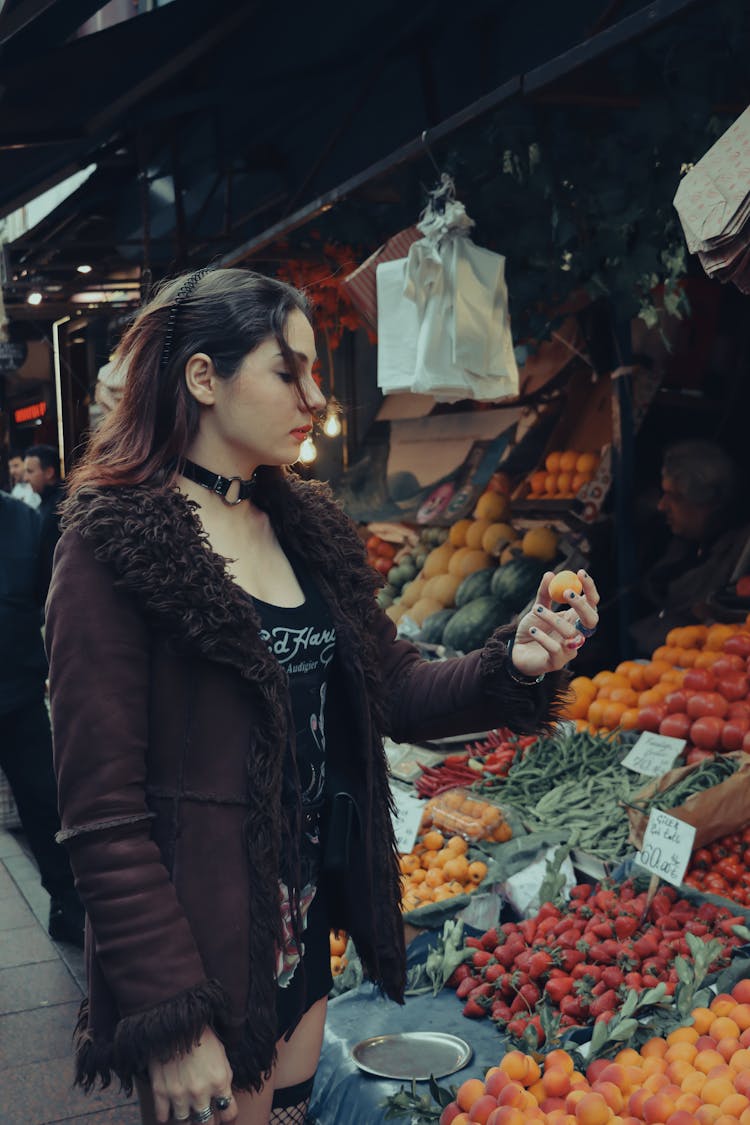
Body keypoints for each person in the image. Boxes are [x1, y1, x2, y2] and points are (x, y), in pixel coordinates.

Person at [45, 267, 600, 1125]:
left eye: (314, 371)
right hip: (203, 944)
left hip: (302, 928)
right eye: (288, 371)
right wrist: (171, 1015)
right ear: (203, 377)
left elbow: (398, 689)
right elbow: (102, 813)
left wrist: (516, 662)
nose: (314, 394)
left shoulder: (302, 526)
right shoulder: (111, 546)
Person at [0, 490, 84, 946]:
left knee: (46, 802)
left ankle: (67, 905)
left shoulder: (24, 521)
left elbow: (48, 596)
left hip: (18, 693)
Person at [630, 439, 750, 656]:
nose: (662, 505)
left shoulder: (737, 554)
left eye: (675, 497)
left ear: (710, 503)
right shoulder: (682, 543)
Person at [24, 443, 64, 597]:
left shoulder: (61, 505)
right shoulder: (46, 503)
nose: (26, 478)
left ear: (48, 472)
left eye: (30, 471)